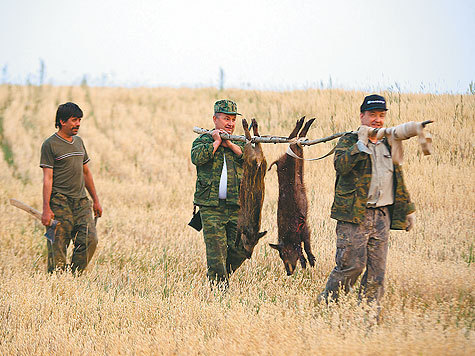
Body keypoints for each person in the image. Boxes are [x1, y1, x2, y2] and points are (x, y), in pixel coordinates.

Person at [319, 94, 416, 304]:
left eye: (381, 115)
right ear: (362, 116)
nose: (377, 120)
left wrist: (407, 210)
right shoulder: (349, 140)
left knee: (377, 272)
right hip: (355, 215)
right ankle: (327, 305)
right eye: (372, 115)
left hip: (382, 216)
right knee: (351, 266)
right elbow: (341, 166)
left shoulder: (389, 142)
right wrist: (360, 145)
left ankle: (369, 317)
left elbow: (397, 177)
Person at [40, 102, 102, 274]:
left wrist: (96, 201)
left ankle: (74, 275)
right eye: (74, 120)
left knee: (90, 240)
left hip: (81, 201)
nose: (78, 124)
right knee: (58, 245)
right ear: (62, 121)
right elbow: (47, 178)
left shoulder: (79, 142)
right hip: (60, 201)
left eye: (80, 120)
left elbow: (86, 173)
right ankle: (57, 280)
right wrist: (46, 208)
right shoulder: (50, 145)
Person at [191, 99, 248, 286]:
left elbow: (252, 161)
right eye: (226, 119)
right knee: (216, 252)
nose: (230, 123)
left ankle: (220, 276)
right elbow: (197, 158)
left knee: (242, 248)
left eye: (233, 119)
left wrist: (230, 145)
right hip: (211, 207)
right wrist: (216, 143)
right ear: (215, 119)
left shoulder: (240, 143)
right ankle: (218, 290)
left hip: (236, 206)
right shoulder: (203, 140)